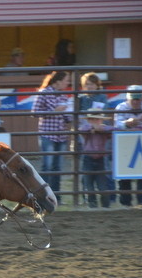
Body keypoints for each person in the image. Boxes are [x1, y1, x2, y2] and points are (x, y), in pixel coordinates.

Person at [114, 85, 142, 207]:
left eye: (138, 99)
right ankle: (126, 203)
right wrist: (127, 124)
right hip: (126, 145)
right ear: (128, 98)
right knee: (124, 175)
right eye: (132, 99)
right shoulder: (121, 107)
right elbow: (117, 125)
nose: (135, 102)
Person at [32, 71, 72, 200]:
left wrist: (69, 115)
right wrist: (53, 111)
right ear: (58, 81)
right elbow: (35, 112)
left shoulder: (64, 96)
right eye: (66, 80)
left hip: (60, 135)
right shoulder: (43, 93)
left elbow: (66, 117)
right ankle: (44, 196)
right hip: (48, 134)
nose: (67, 83)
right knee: (48, 166)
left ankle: (56, 196)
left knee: (57, 167)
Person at [78, 108, 113, 208]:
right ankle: (92, 205)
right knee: (89, 186)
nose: (95, 121)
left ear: (101, 120)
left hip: (100, 160)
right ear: (89, 120)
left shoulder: (105, 129)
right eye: (92, 119)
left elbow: (114, 129)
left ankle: (105, 205)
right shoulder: (86, 128)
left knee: (102, 186)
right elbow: (81, 129)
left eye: (97, 119)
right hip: (88, 159)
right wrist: (93, 127)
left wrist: (101, 129)